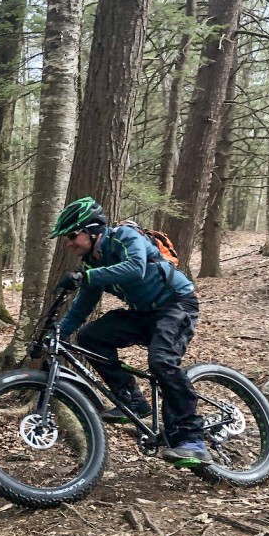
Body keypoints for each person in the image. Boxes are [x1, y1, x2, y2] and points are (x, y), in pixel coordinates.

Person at [49, 197, 210, 465]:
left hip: (176, 305)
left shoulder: (124, 236)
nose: (68, 243)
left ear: (91, 230)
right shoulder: (92, 264)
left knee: (162, 362)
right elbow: (80, 309)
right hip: (143, 313)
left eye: (72, 235)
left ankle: (192, 439)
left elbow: (136, 268)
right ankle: (133, 401)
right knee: (90, 336)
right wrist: (54, 336)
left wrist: (85, 277)